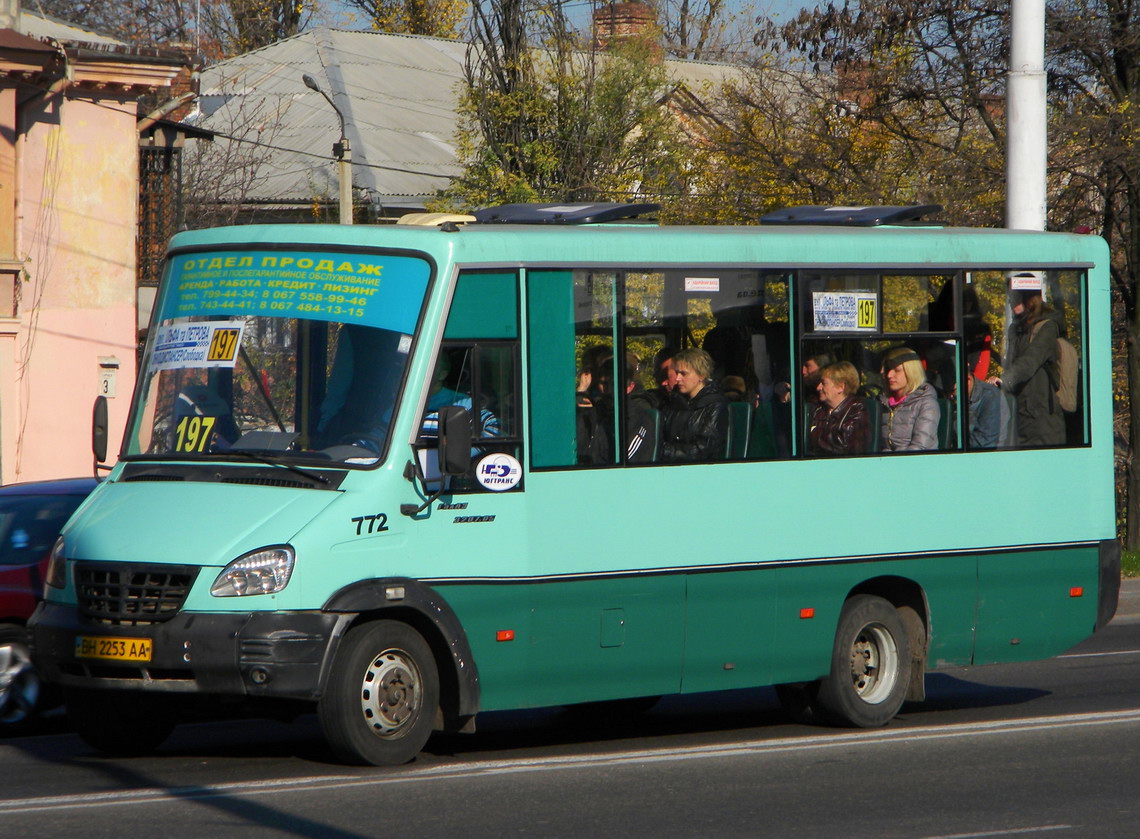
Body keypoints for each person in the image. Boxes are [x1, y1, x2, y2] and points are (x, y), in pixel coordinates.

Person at [997, 283, 1066, 446]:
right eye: (1009, 298)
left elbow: (1030, 360)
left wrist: (1005, 380)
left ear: (1030, 300)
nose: (1010, 303)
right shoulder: (1016, 329)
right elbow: (1012, 362)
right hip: (1020, 411)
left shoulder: (1047, 327)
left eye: (1015, 298)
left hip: (1041, 417)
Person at [577, 356, 657, 464]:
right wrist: (580, 393)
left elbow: (623, 462)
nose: (609, 390)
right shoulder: (592, 413)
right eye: (604, 384)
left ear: (630, 387)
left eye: (615, 384)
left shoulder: (640, 420)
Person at [661, 347, 728, 462]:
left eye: (683, 374)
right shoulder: (674, 402)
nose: (677, 378)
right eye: (677, 373)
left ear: (701, 375)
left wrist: (664, 451)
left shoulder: (715, 405)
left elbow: (703, 450)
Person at [879, 347, 940, 451]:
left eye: (897, 370)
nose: (889, 375)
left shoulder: (927, 403)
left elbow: (920, 447)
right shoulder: (883, 402)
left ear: (911, 372)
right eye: (889, 370)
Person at [809, 361, 870, 455]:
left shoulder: (857, 411)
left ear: (840, 387)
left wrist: (814, 433)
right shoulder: (819, 410)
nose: (818, 388)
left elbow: (843, 446)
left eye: (823, 383)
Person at [965, 370, 1002, 449]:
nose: (949, 396)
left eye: (952, 391)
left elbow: (985, 443)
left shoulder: (991, 397)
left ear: (968, 381)